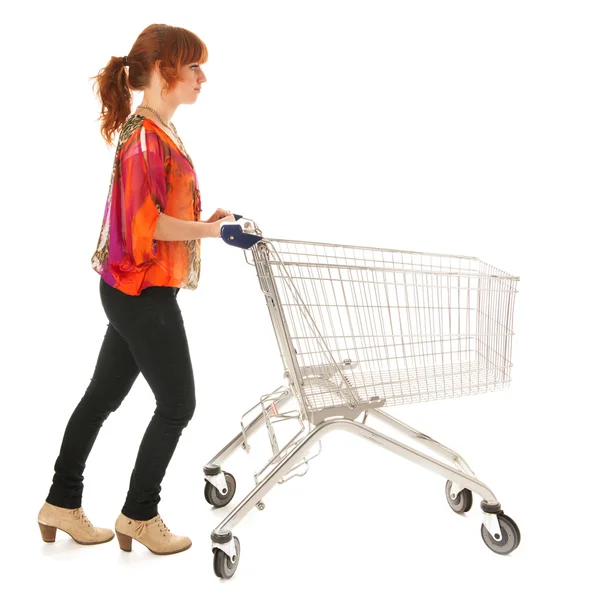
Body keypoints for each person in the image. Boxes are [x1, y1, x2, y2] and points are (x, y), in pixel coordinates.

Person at [37, 24, 235, 556]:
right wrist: (213, 233)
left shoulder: (157, 131)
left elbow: (162, 214)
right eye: (193, 66)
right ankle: (140, 514)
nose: (202, 77)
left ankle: (61, 501)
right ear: (165, 71)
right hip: (141, 293)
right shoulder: (145, 137)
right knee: (177, 404)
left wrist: (207, 220)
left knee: (102, 396)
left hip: (132, 288)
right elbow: (148, 224)